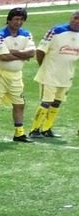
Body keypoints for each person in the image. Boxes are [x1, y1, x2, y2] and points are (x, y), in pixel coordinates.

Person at [0, 7, 33, 142]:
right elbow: (3, 57)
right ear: (9, 20)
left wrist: (13, 52)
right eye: (16, 19)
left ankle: (19, 133)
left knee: (19, 103)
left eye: (21, 19)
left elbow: (32, 53)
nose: (19, 22)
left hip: (17, 75)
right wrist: (22, 55)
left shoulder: (26, 34)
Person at [29, 9, 79, 138]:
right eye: (75, 18)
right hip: (50, 74)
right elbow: (40, 51)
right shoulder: (56, 31)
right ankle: (34, 130)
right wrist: (44, 67)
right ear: (70, 18)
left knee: (57, 102)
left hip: (67, 75)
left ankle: (47, 129)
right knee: (46, 102)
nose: (77, 21)